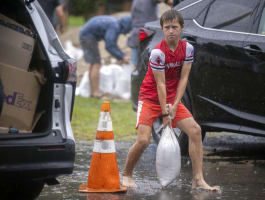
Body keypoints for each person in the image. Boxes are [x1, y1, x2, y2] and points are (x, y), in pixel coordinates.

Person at [122, 10, 219, 191]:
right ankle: (126, 174)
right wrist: (166, 113)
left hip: (171, 99)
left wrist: (174, 104)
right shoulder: (158, 52)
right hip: (150, 98)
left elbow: (183, 79)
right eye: (167, 27)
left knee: (195, 131)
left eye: (175, 27)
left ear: (182, 28)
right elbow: (160, 84)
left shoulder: (188, 49)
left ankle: (198, 179)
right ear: (162, 29)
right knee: (143, 140)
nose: (171, 30)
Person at [79, 15, 131, 98]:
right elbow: (110, 45)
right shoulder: (115, 26)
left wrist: (120, 56)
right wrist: (122, 57)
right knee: (96, 64)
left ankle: (93, 91)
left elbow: (110, 43)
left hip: (86, 35)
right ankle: (95, 92)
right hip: (88, 37)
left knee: (94, 64)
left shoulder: (115, 23)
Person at [128, 0, 173, 69]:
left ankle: (134, 76)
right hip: (147, 31)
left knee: (136, 61)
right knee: (150, 60)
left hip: (136, 31)